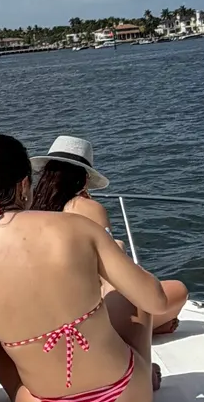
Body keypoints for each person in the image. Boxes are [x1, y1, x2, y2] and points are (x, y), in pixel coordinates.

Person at [0, 133, 178, 402]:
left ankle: (36, 388)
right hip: (128, 401)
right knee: (128, 298)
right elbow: (156, 301)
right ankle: (145, 374)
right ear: (23, 185)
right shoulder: (78, 227)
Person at [30, 133, 188, 335]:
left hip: (43, 313)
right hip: (86, 317)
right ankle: (145, 330)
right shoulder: (88, 208)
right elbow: (110, 272)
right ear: (85, 179)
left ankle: (152, 327)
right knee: (178, 290)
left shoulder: (30, 211)